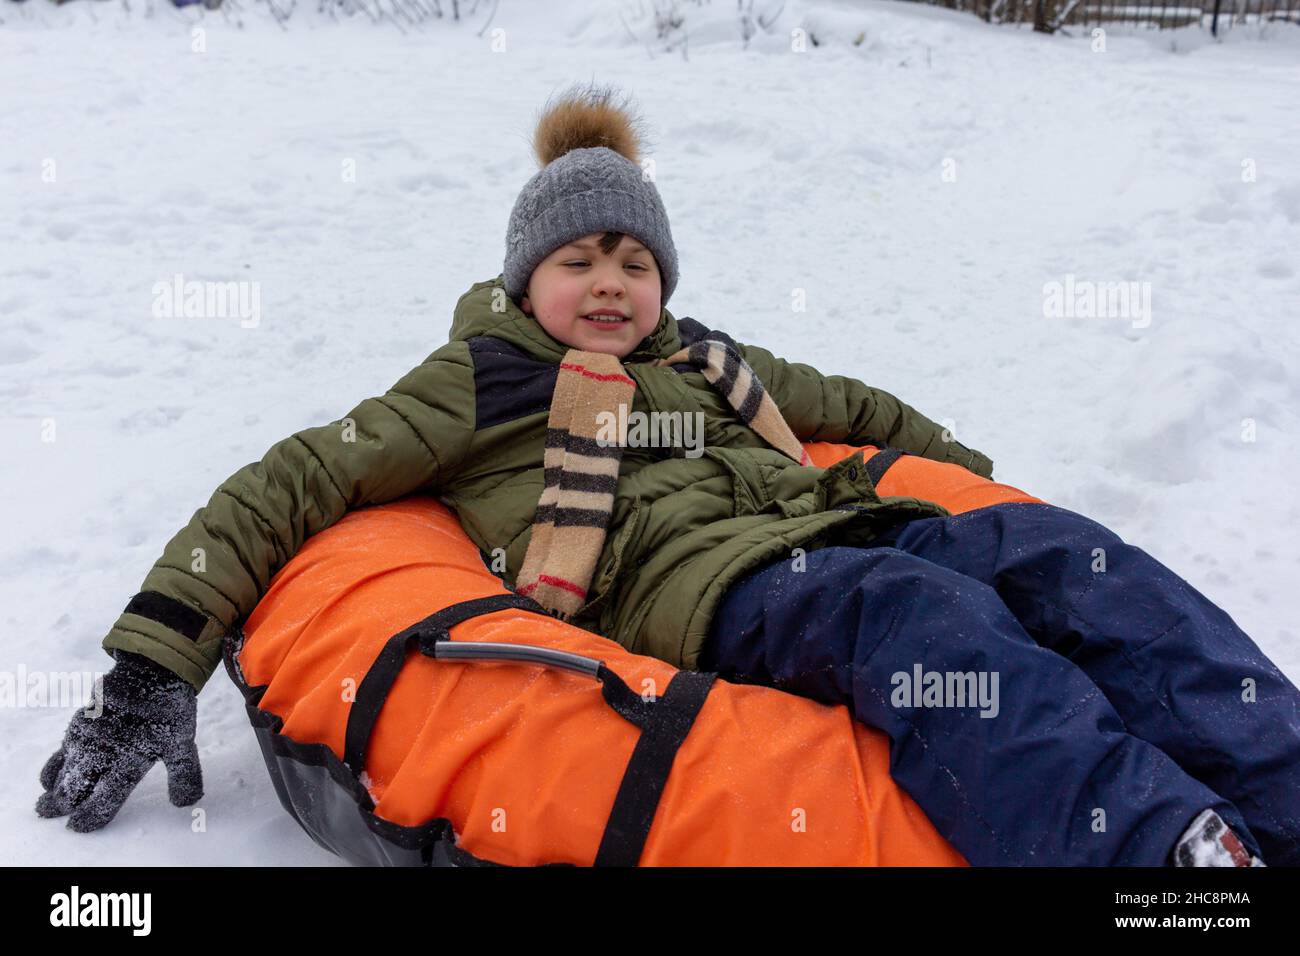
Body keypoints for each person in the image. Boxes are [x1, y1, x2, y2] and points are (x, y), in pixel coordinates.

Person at [36, 83, 1299, 867]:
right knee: (928, 624)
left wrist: (969, 489)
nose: (609, 284)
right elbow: (292, 480)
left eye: (635, 262)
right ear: (526, 277)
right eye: (579, 258)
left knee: (1071, 563)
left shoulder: (704, 360)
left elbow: (851, 406)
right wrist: (152, 664)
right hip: (698, 585)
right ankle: (1153, 854)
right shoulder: (485, 377)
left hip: (839, 525)